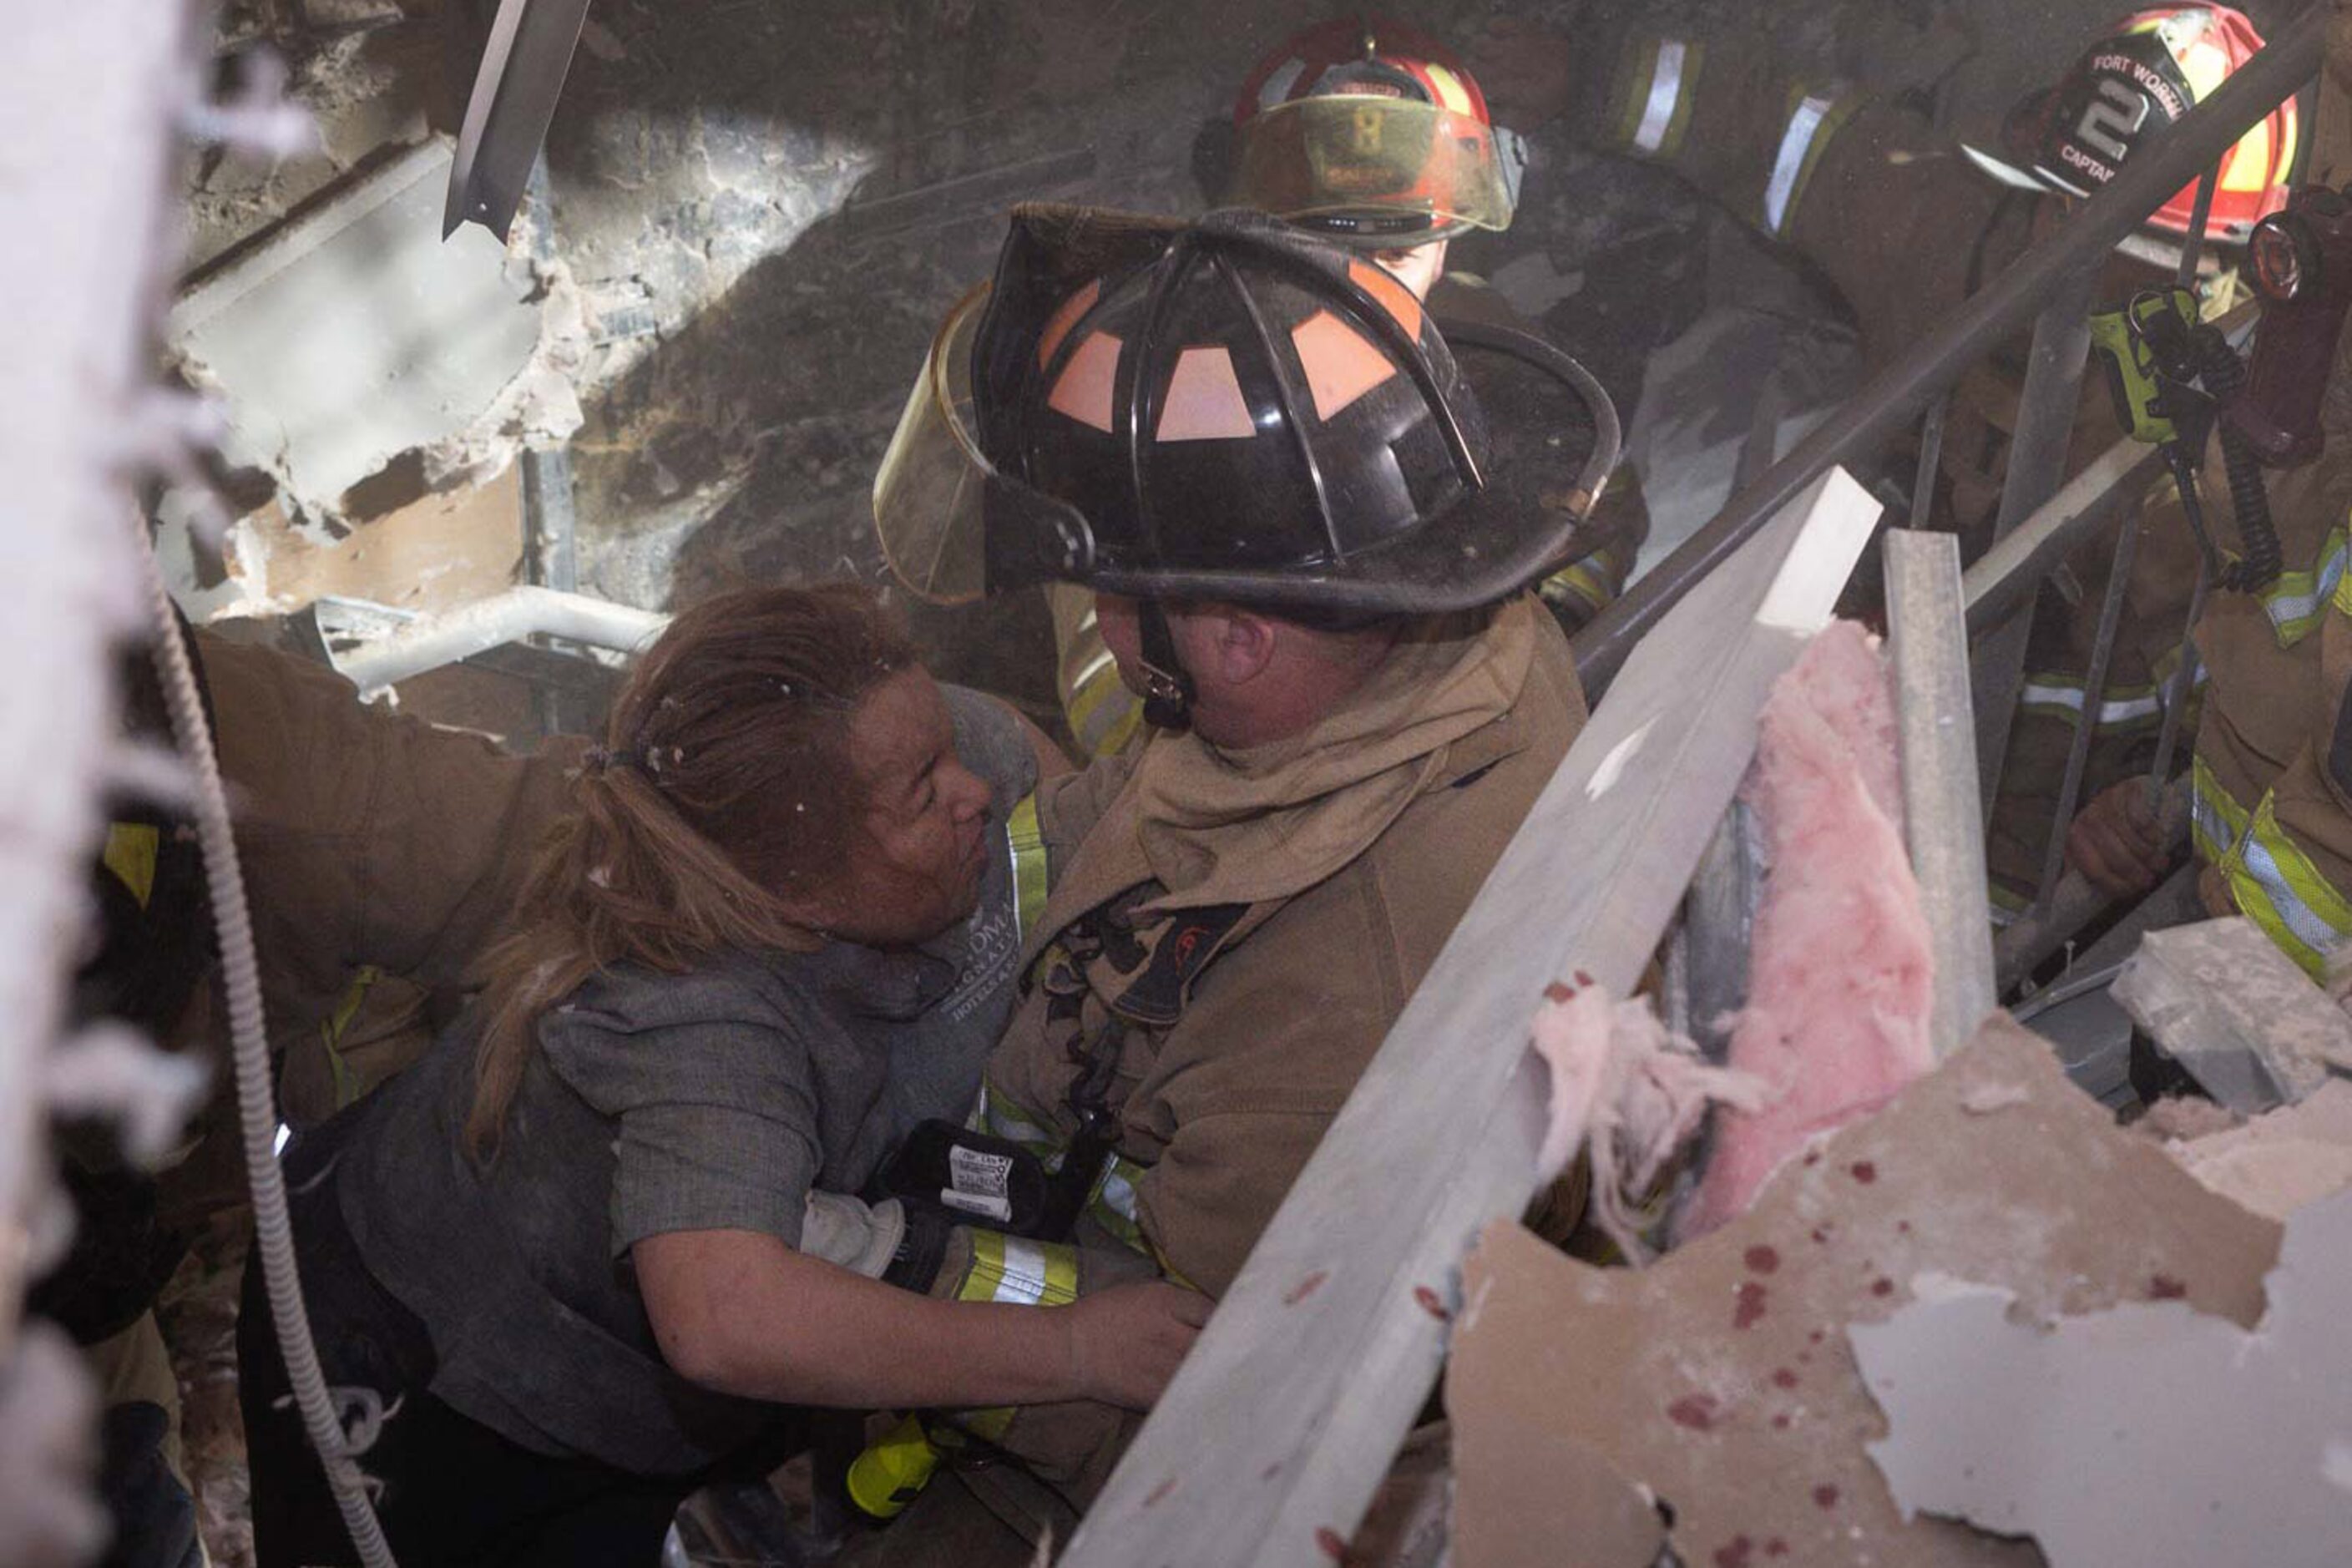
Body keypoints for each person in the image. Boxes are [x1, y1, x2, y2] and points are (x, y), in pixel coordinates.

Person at [858, 205, 1599, 1560]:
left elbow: (1221, 1409)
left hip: (1092, 1467)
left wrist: (872, 1299)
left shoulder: (1336, 997)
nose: (1090, 618)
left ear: (1238, 635)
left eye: (1109, 592)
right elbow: (1146, 811)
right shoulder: (1404, 634)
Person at [237, 583, 1207, 1567]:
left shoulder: (943, 756)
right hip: (427, 1363)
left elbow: (1075, 869)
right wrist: (1080, 1349)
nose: (977, 790)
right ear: (796, 891)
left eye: (942, 741)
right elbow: (724, 1320)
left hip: (684, 1342)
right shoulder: (694, 1011)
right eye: (924, 790)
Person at [1470, 2, 2302, 928]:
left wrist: (2159, 809)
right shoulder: (1959, 237)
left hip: (2016, 861)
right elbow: (1790, 137)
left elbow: (2276, 712)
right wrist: (1585, 76)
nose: (2062, 252)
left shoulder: (2246, 452)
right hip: (1827, 742)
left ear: (2220, 261)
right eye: (2057, 207)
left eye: (2127, 246)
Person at [1041, 15, 1646, 761]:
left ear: (1452, 236)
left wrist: (1553, 621)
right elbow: (1104, 682)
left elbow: (1598, 496)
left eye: (1395, 250)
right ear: (1247, 227)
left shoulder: (1488, 339)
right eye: (1326, 251)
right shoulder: (1163, 382)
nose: (1363, 294)